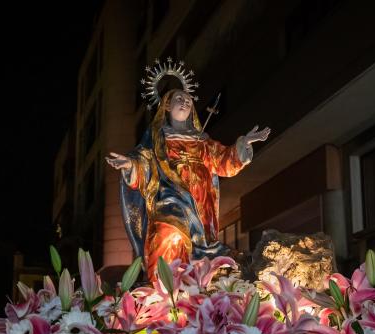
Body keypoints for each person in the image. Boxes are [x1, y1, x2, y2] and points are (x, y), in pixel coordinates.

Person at [106, 86, 269, 281]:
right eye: (179, 99)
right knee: (167, 233)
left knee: (201, 255)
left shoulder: (202, 141)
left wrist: (243, 145)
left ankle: (191, 285)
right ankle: (163, 292)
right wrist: (130, 165)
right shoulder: (158, 139)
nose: (185, 102)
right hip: (170, 201)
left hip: (201, 207)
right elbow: (144, 162)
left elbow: (224, 162)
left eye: (189, 101)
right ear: (167, 105)